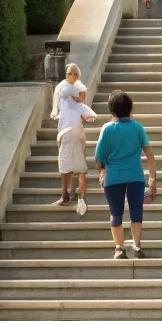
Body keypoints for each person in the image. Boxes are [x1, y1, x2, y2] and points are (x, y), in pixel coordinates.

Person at [94, 91, 157, 258]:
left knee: (116, 213)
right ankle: (137, 246)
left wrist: (101, 171)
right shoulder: (138, 127)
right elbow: (150, 154)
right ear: (130, 108)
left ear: (111, 110)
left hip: (113, 177)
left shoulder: (107, 129)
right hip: (136, 176)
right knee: (137, 211)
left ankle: (119, 249)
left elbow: (99, 156)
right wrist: (152, 178)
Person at [51, 64, 98, 215]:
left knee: (74, 167)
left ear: (77, 76)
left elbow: (81, 99)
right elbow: (77, 101)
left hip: (71, 131)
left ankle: (76, 198)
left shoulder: (71, 87)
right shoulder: (65, 87)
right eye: (68, 73)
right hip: (68, 131)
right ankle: (69, 197)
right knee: (72, 166)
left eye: (73, 73)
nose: (70, 75)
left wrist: (79, 102)